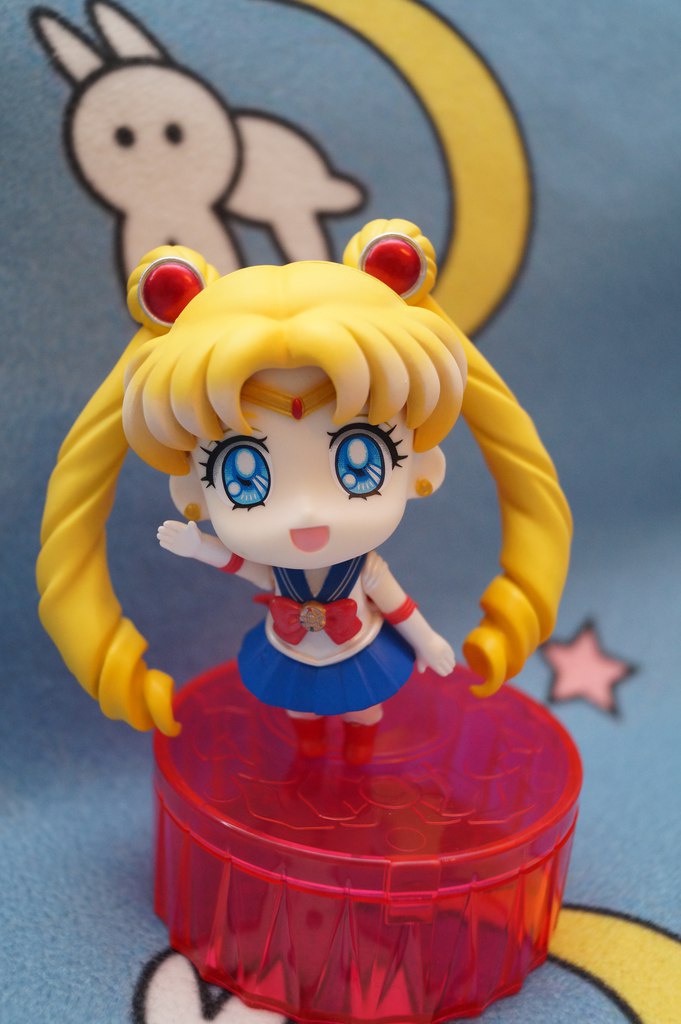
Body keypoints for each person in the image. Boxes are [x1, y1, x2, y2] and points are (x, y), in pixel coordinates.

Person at [37, 219, 572, 763]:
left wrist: (430, 640)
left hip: (358, 649)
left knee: (365, 710)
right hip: (290, 652)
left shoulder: (365, 571)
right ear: (192, 491)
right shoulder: (281, 571)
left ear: (421, 468)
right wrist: (196, 547)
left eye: (360, 465)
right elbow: (240, 566)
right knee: (300, 713)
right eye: (244, 478)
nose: (307, 512)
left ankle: (358, 752)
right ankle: (310, 753)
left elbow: (400, 606)